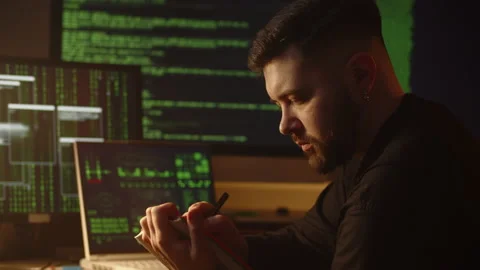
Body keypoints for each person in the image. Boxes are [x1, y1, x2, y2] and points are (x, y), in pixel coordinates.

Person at [139, 0, 479, 269]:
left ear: (361, 76)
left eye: (297, 99)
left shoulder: (393, 188)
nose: (284, 125)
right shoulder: (392, 135)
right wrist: (236, 246)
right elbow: (307, 243)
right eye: (278, 104)